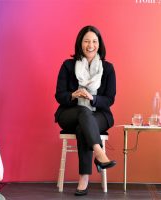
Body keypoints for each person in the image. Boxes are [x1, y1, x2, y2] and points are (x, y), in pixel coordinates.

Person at [55, 25, 116, 196]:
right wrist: (74, 95)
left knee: (84, 125)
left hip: (99, 114)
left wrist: (92, 98)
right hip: (70, 113)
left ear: (99, 44)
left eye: (94, 41)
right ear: (80, 44)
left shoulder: (108, 68)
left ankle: (84, 178)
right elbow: (59, 95)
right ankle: (99, 153)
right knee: (83, 112)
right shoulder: (68, 66)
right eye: (87, 41)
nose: (91, 45)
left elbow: (110, 99)